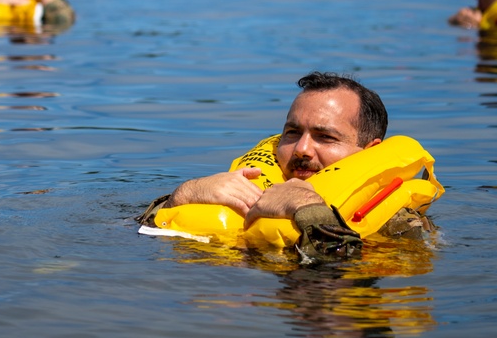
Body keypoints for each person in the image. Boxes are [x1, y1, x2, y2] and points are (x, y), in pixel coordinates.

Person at [136, 72, 432, 260]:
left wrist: (308, 210)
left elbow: (341, 267)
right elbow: (134, 239)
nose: (302, 149)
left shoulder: (400, 223)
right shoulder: (248, 183)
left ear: (369, 153)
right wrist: (185, 194)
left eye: (325, 137)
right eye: (292, 133)